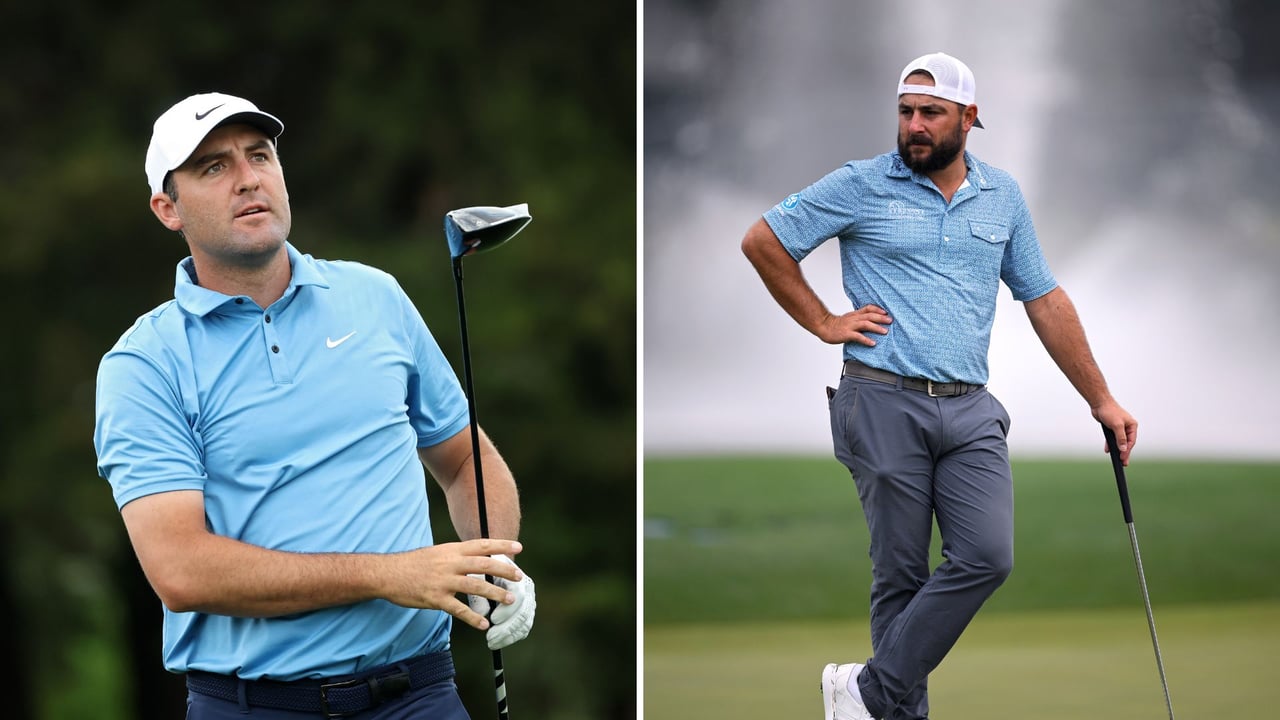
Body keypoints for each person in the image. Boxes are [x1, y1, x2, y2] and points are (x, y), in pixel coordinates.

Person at [93, 92, 536, 719]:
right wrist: (389, 574)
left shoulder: (374, 296)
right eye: (213, 167)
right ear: (169, 209)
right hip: (254, 706)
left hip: (420, 695)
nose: (248, 179)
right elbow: (181, 569)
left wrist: (493, 566)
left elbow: (464, 460)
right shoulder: (145, 364)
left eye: (260, 156)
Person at [741, 53, 1138, 720]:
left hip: (971, 409)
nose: (915, 126)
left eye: (930, 113)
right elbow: (764, 241)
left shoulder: (1002, 195)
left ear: (969, 119)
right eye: (905, 112)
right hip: (881, 399)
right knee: (900, 575)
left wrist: (1100, 398)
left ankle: (864, 692)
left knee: (988, 555)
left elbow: (1043, 298)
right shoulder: (859, 184)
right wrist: (822, 321)